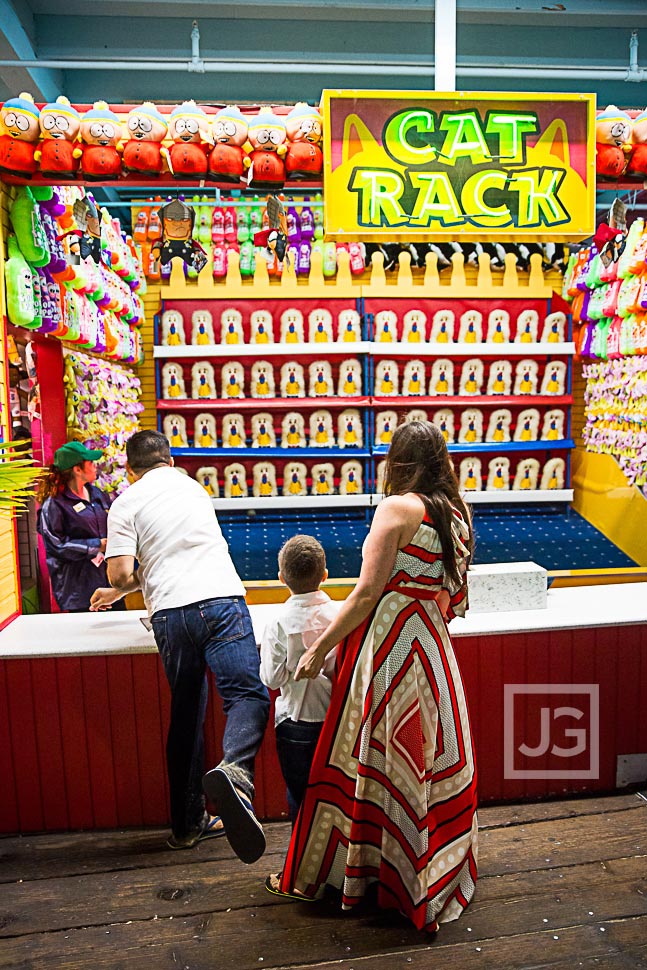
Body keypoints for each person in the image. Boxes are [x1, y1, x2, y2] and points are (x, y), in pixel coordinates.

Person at [266, 421, 478, 933]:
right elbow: (454, 595)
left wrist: (317, 650)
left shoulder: (396, 508)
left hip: (390, 647)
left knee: (374, 757)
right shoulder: (457, 511)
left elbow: (365, 595)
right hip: (432, 647)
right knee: (424, 754)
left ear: (397, 459)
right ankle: (424, 871)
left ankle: (365, 875)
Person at [89, 430, 270, 861]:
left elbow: (119, 574)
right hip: (222, 600)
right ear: (169, 462)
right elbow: (179, 551)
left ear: (130, 471)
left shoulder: (126, 503)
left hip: (172, 614)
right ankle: (235, 771)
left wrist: (117, 589)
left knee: (186, 715)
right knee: (247, 694)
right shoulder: (193, 488)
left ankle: (187, 827)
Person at [260, 535, 340, 825]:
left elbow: (271, 679)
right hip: (337, 721)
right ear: (325, 575)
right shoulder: (340, 615)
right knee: (338, 795)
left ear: (282, 578)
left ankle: (302, 864)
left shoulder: (277, 622)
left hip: (295, 724)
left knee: (300, 800)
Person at [37, 440, 124, 613]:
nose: (95, 466)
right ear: (77, 470)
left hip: (109, 584)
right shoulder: (54, 505)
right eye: (90, 463)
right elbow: (57, 545)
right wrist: (97, 545)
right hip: (78, 588)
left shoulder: (97, 494)